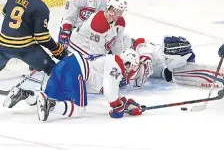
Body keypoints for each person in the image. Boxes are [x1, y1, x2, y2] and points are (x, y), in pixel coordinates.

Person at [5, 49, 143, 121]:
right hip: (75, 70)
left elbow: (113, 90)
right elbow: (109, 90)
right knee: (78, 109)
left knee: (48, 96)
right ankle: (50, 106)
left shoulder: (111, 63)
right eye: (133, 68)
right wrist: (117, 109)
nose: (131, 72)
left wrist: (127, 104)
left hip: (65, 64)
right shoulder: (117, 66)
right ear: (128, 63)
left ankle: (24, 94)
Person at [0, 0, 67, 107]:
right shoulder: (41, 7)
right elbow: (41, 37)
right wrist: (57, 49)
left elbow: (5, 12)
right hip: (24, 49)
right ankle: (44, 98)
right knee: (52, 68)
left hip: (3, 45)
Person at [120, 36, 224, 88]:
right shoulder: (129, 56)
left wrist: (127, 78)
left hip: (171, 61)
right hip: (168, 69)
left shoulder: (140, 46)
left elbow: (143, 71)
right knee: (191, 75)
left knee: (197, 72)